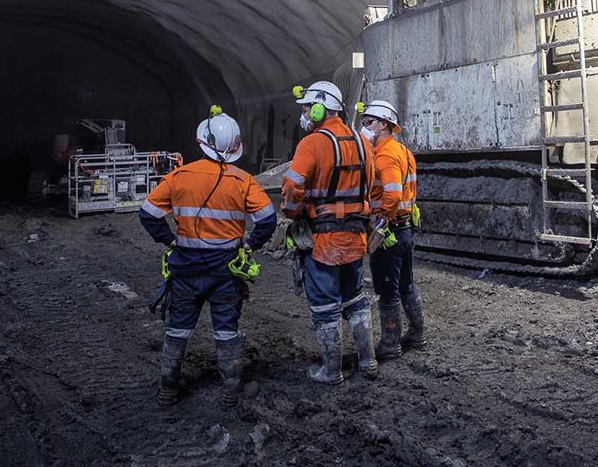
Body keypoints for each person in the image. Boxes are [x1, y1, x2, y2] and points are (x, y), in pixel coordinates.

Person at [139, 108, 276, 407]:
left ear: (203, 142)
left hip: (185, 268)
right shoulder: (243, 181)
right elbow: (267, 220)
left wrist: (170, 239)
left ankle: (168, 388)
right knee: (227, 328)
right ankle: (231, 389)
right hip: (225, 271)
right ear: (235, 146)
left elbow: (147, 214)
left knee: (178, 327)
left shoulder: (179, 176)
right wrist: (250, 244)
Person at [282, 81, 379, 384]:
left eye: (308, 107)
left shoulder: (312, 143)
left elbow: (292, 188)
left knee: (325, 304)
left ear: (321, 108)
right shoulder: (363, 142)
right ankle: (368, 360)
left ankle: (331, 370)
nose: (305, 113)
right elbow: (373, 186)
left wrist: (292, 213)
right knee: (355, 298)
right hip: (356, 235)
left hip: (323, 240)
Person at [360, 100, 425, 360]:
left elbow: (393, 193)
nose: (365, 128)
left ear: (384, 124)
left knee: (387, 289)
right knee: (406, 284)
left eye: (369, 123)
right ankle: (417, 334)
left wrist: (380, 223)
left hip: (390, 230)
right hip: (405, 227)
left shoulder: (385, 154)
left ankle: (390, 344)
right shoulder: (403, 151)